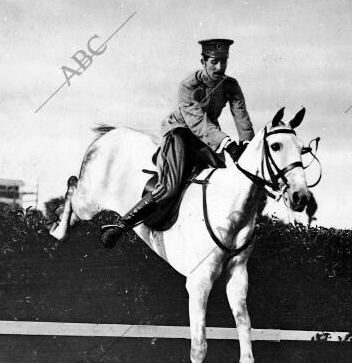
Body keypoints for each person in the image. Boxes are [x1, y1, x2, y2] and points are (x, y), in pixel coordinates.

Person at [101, 38, 255, 248]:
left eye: (224, 62)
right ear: (203, 61)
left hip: (207, 137)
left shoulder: (231, 85)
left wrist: (246, 144)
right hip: (181, 132)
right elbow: (197, 122)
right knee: (171, 187)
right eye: (214, 62)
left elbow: (241, 115)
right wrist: (227, 143)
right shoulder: (188, 86)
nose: (219, 67)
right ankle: (120, 224)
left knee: (221, 179)